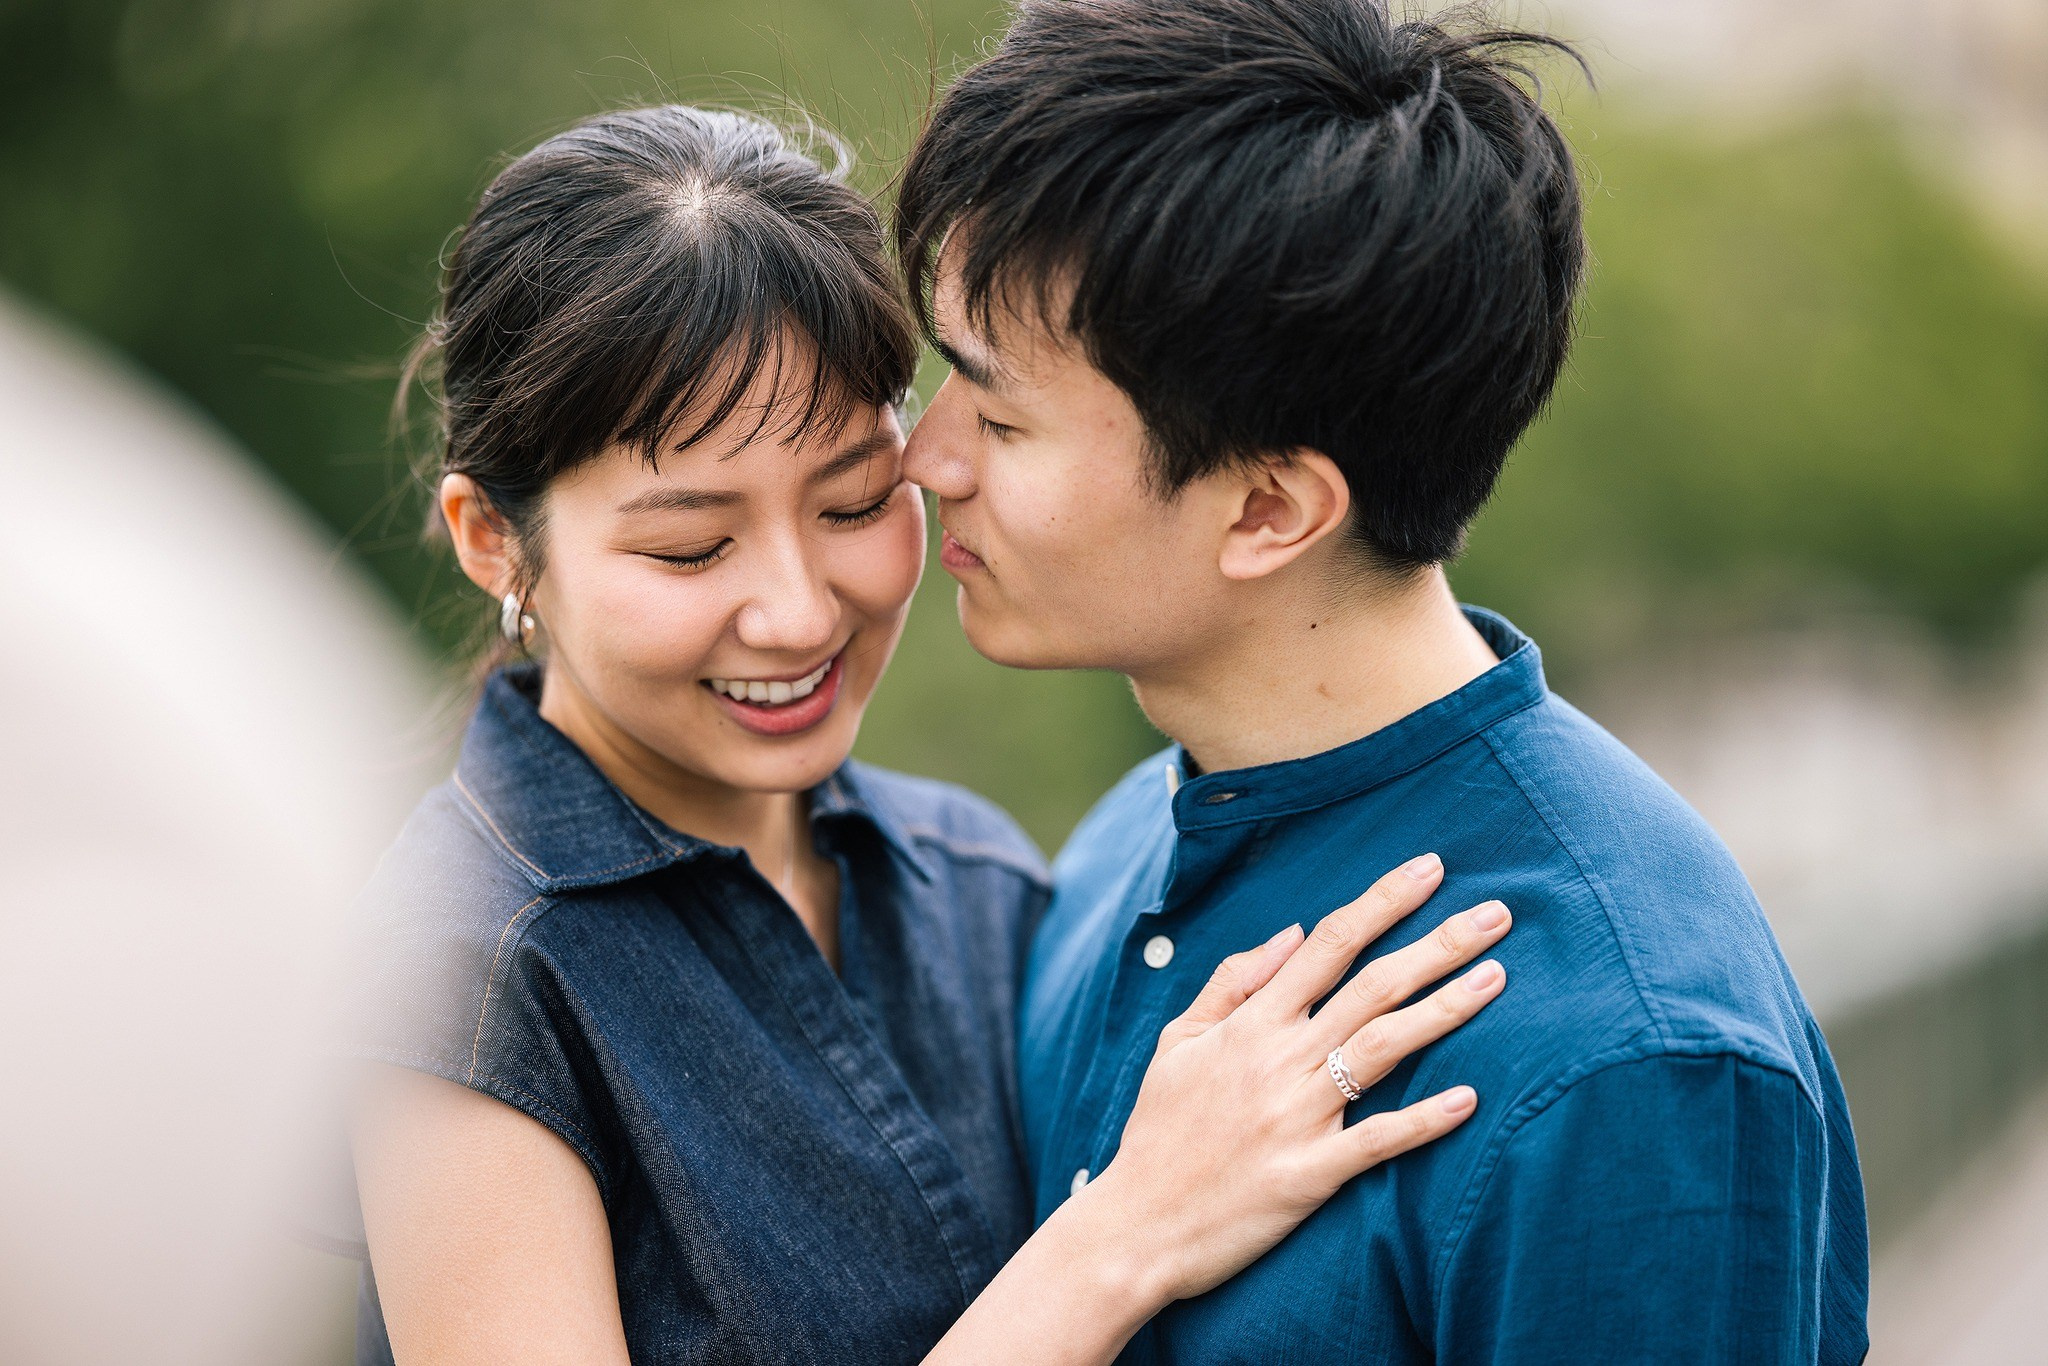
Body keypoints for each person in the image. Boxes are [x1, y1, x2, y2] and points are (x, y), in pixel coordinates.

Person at [343, 105, 1517, 1365]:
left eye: (853, 502)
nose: (798, 613)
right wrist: (1120, 1234)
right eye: (690, 546)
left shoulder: (976, 874)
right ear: (491, 540)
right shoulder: (455, 977)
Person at [894, 0, 1870, 1362]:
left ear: (1269, 510)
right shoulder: (1133, 838)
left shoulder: (1630, 1058)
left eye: (999, 416)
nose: (927, 460)